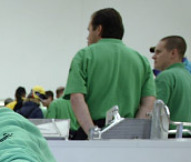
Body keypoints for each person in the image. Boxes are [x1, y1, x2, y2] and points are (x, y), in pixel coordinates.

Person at [65, 8, 156, 140]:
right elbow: (149, 102)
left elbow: (76, 98)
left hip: (91, 131)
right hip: (127, 135)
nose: (87, 36)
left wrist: (92, 133)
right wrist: (134, 133)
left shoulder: (84, 56)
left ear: (99, 29)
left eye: (89, 30)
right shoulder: (141, 60)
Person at [151, 36, 191, 126]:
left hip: (166, 137)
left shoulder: (165, 77)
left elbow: (154, 115)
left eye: (158, 52)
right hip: (186, 136)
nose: (153, 57)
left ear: (173, 53)